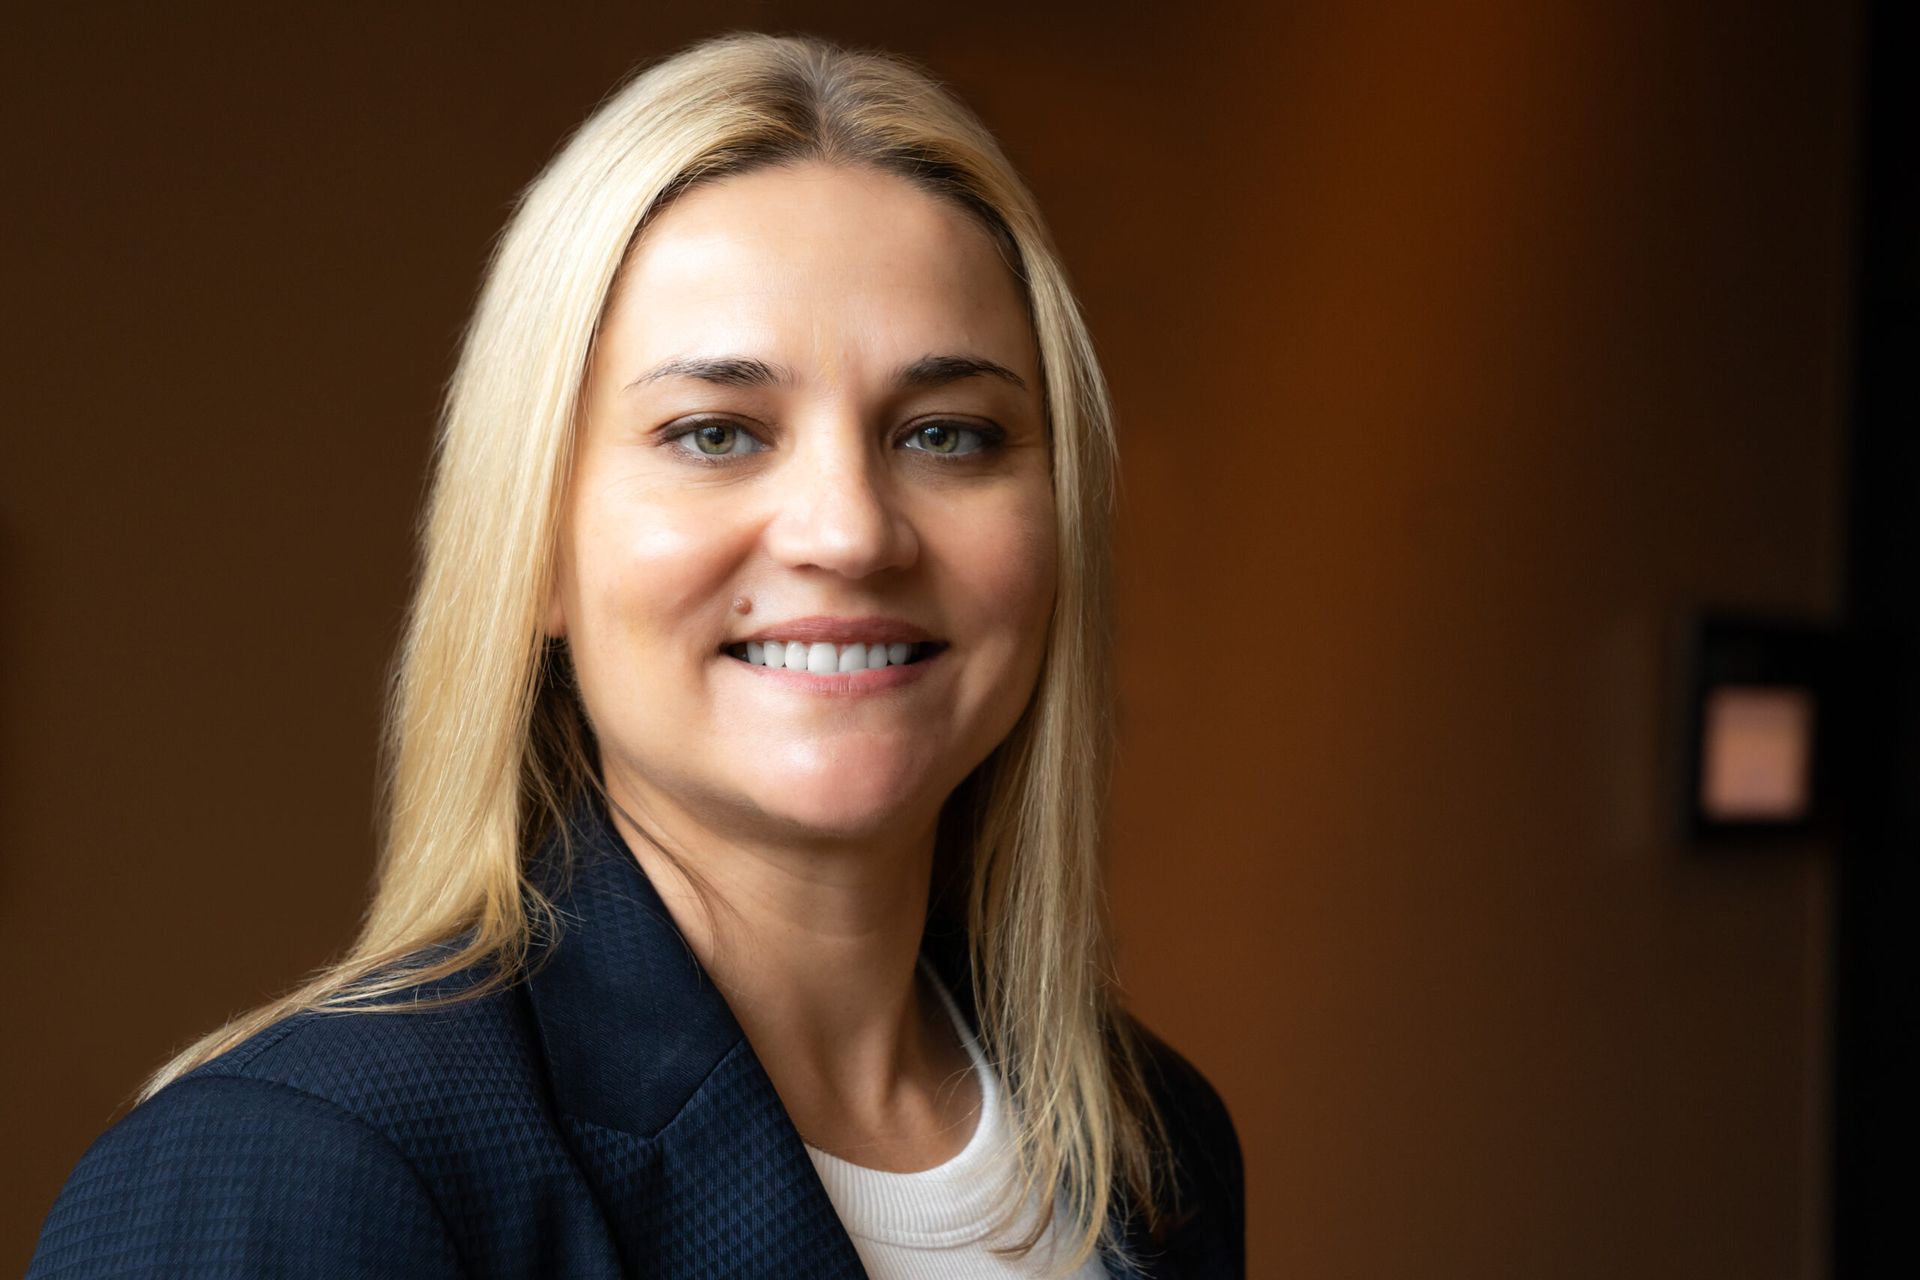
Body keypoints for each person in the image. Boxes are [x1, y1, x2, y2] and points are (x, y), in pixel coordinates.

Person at [28, 31, 1244, 1280]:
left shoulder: (1159, 1151)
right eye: (716, 431)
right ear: (538, 547)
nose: (851, 529)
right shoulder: (289, 1167)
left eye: (945, 433)